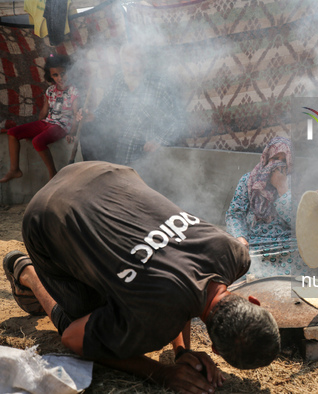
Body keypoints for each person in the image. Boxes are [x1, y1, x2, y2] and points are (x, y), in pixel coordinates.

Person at [2, 161, 280, 394]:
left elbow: (183, 279)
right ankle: (28, 273)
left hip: (102, 171)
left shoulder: (234, 254)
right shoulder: (153, 324)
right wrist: (161, 373)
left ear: (255, 302)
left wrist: (182, 352)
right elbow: (72, 339)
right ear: (217, 351)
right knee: (82, 322)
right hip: (46, 215)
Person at [78, 44, 182, 165]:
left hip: (141, 155)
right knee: (87, 129)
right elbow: (104, 109)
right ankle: (98, 171)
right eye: (127, 64)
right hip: (114, 149)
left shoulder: (159, 87)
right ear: (121, 64)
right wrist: (91, 116)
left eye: (136, 64)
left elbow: (178, 121)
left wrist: (159, 141)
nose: (131, 70)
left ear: (144, 64)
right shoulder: (118, 81)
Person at [225, 136, 309, 277]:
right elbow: (235, 214)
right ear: (266, 158)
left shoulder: (297, 184)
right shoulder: (248, 180)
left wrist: (282, 188)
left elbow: (300, 223)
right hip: (254, 244)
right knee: (243, 269)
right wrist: (240, 237)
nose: (278, 165)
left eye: (284, 160)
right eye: (275, 158)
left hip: (289, 246)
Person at [1, 54, 79, 183]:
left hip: (62, 126)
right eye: (55, 75)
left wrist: (72, 133)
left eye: (63, 73)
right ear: (50, 76)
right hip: (47, 122)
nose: (60, 78)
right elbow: (44, 111)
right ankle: (14, 170)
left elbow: (77, 115)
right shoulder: (50, 91)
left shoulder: (73, 91)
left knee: (37, 141)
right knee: (12, 133)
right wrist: (34, 129)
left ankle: (53, 173)